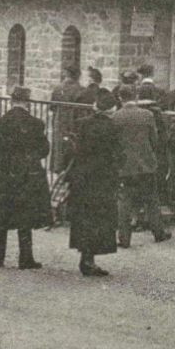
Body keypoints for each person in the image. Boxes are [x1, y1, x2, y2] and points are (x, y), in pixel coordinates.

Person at [0, 87, 52, 270]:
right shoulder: (36, 124)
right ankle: (25, 258)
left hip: (4, 175)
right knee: (25, 217)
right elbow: (44, 150)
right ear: (27, 102)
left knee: (1, 217)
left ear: (11, 101)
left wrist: (3, 164)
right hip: (27, 175)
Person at [66, 89, 123, 277]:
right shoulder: (113, 128)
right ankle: (89, 260)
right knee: (99, 218)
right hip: (102, 179)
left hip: (83, 177)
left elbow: (76, 150)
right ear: (111, 109)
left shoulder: (83, 125)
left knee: (85, 217)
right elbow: (117, 155)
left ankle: (85, 256)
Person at [110, 86, 169, 246]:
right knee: (152, 200)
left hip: (125, 166)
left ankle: (124, 238)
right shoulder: (147, 115)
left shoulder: (115, 117)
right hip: (146, 164)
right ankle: (159, 233)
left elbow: (113, 143)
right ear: (135, 97)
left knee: (124, 202)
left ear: (120, 98)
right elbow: (154, 139)